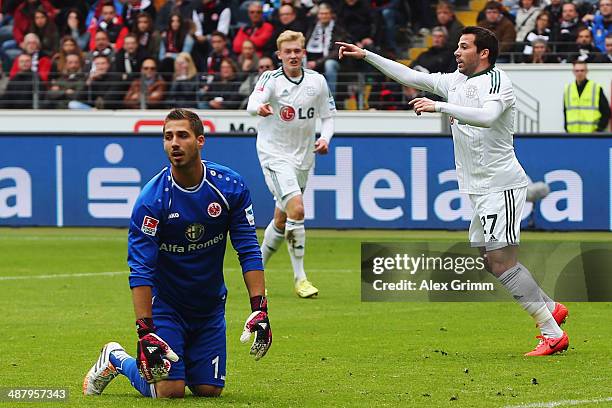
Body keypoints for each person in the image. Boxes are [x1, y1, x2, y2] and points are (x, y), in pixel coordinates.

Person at [337, 26, 570, 356]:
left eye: (464, 47)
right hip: (480, 189)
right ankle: (550, 307)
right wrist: (367, 56)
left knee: (502, 262)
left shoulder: (497, 81)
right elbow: (411, 76)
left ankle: (551, 332)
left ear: (483, 53)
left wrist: (440, 108)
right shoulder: (455, 82)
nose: (456, 52)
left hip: (500, 184)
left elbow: (488, 117)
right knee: (489, 259)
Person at [82, 108, 272, 398]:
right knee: (169, 391)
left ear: (200, 141)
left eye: (182, 135)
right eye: (168, 136)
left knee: (208, 390)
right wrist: (145, 331)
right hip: (166, 307)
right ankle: (116, 358)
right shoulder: (151, 200)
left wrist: (260, 308)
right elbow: (141, 268)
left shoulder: (229, 187)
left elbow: (247, 247)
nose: (174, 143)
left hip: (209, 305)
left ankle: (186, 362)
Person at [247, 30, 336, 298]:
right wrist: (259, 108)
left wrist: (325, 138)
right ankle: (301, 279)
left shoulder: (317, 82)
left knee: (282, 217)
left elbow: (328, 116)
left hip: (303, 158)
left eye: (297, 51)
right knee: (296, 209)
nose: (293, 56)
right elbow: (253, 101)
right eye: (288, 52)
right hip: (274, 155)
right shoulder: (271, 79)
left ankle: (255, 269)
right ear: (280, 55)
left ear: (304, 52)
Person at [563, 61, 611, 133]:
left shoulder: (596, 88)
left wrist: (599, 129)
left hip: (591, 135)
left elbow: (606, 112)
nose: (579, 73)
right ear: (573, 72)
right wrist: (566, 128)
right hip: (572, 134)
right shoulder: (568, 89)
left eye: (582, 70)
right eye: (577, 71)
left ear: (587, 71)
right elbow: (565, 111)